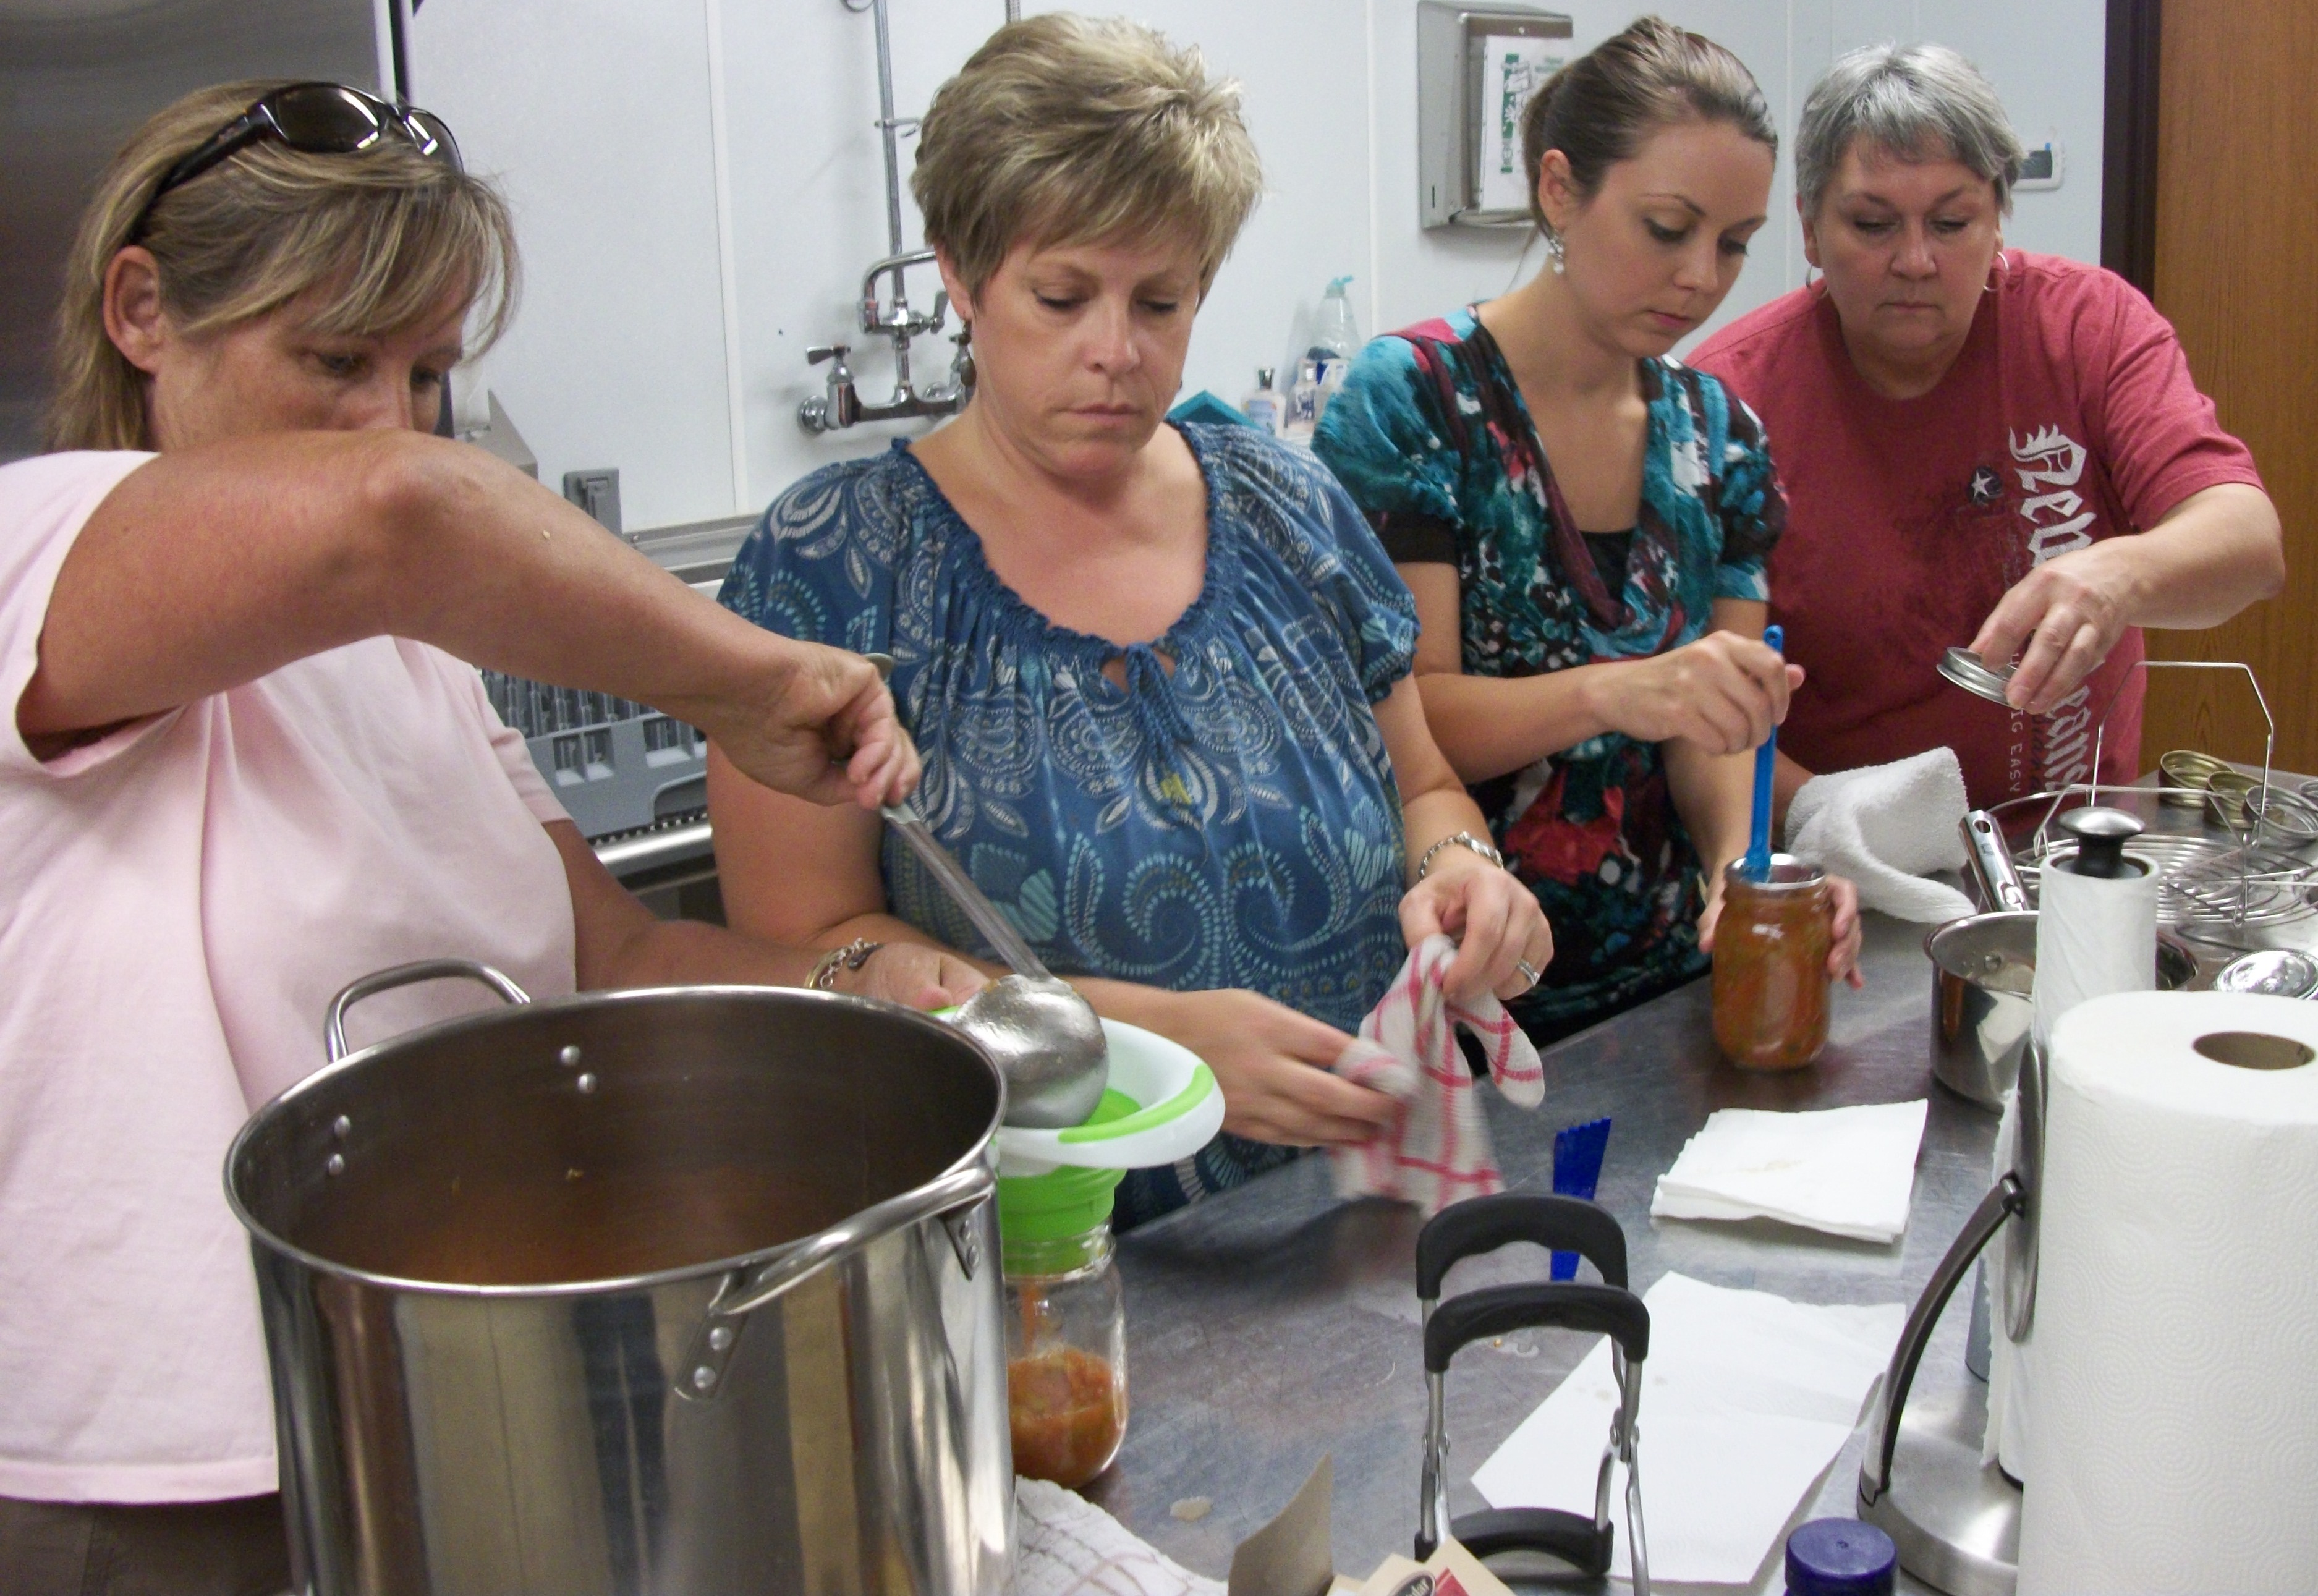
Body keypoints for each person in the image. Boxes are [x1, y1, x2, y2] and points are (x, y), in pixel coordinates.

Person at [0, 81, 980, 1594]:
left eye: (427, 371)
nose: (385, 417)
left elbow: (625, 953)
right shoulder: (45, 541)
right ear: (142, 311)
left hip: (449, 1434)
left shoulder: (417, 662)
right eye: (332, 357)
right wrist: (739, 674)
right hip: (170, 1492)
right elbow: (400, 511)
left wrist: (872, 986)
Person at [709, 15, 1553, 1226]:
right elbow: (808, 960)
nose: (1116, 353)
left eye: (1161, 301)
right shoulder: (836, 569)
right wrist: (1147, 1038)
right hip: (1050, 1255)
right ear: (961, 272)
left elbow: (1424, 781)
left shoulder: (1286, 506)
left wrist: (1461, 869)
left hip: (1360, 1213)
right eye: (1062, 296)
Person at [1314, 18, 1862, 1046]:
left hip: (1663, 996)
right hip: (1467, 988)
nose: (1703, 275)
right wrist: (1623, 688)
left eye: (1736, 243)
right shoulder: (1418, 402)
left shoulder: (1719, 436)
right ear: (1561, 190)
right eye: (1669, 227)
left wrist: (1736, 874)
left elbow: (1721, 725)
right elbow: (1412, 722)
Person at [1691, 43, 2283, 813]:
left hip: (2071, 852)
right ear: (1808, 229)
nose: (1915, 259)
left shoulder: (2085, 328)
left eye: (1951, 221)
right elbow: (1696, 714)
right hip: (1838, 860)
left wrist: (2118, 575)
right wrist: (1834, 818)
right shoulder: (1728, 400)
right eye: (1873, 225)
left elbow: (2248, 541)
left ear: (1999, 217)